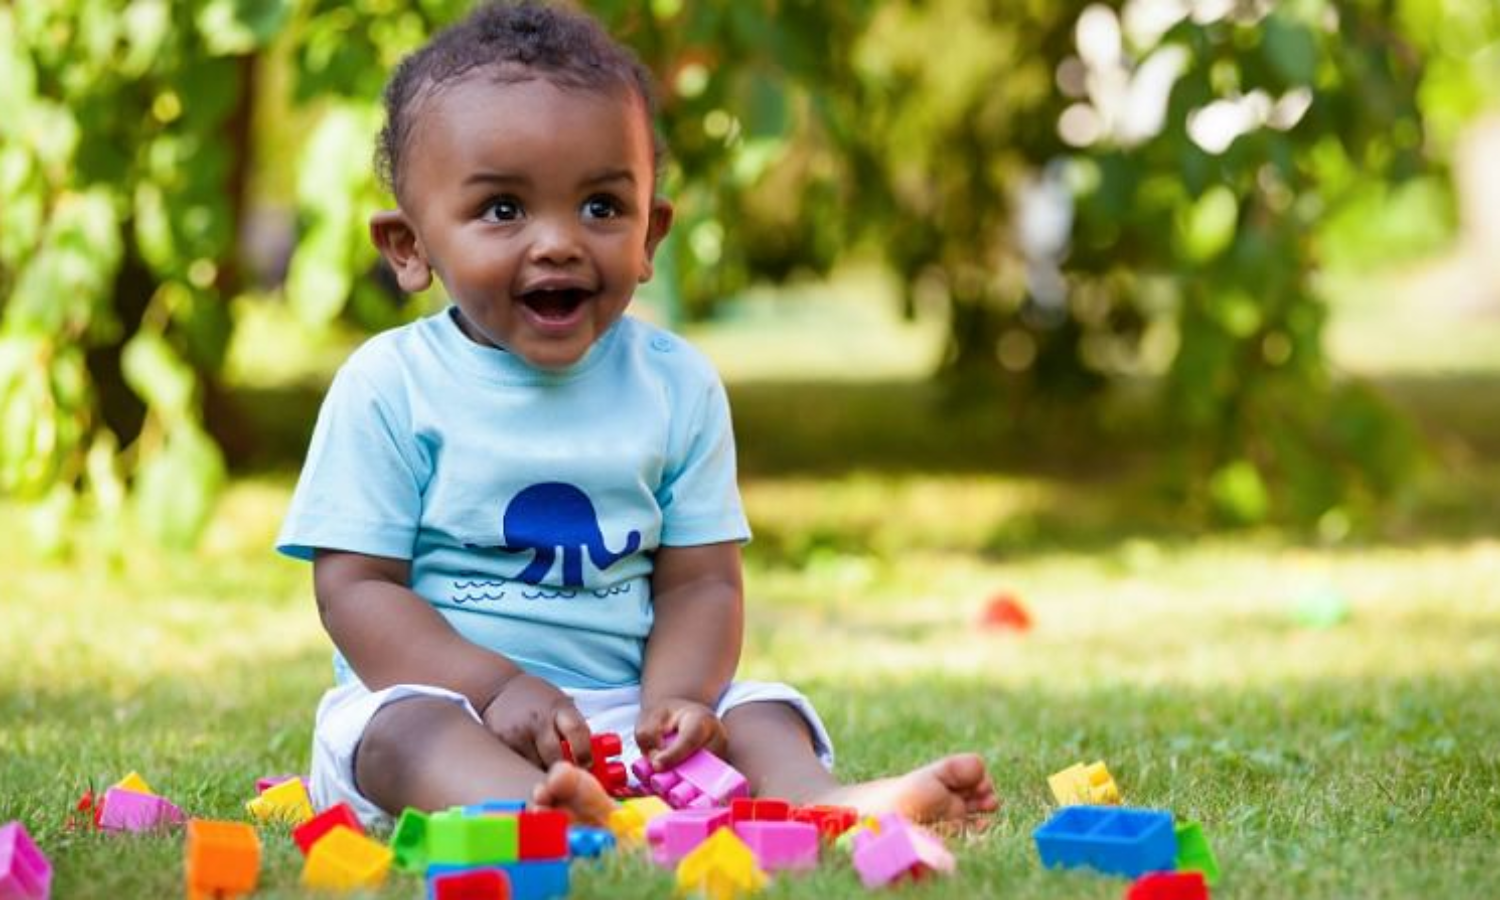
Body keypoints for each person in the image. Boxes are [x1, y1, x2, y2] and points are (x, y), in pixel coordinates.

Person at [277, 0, 999, 829]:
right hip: (450, 704)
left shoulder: (675, 386)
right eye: (503, 209)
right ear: (410, 247)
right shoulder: (390, 385)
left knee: (761, 710)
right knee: (399, 733)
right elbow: (356, 590)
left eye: (600, 207)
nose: (559, 242)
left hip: (623, 713)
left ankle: (830, 807)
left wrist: (676, 700)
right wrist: (495, 687)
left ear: (651, 233)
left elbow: (701, 582)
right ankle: (533, 812)